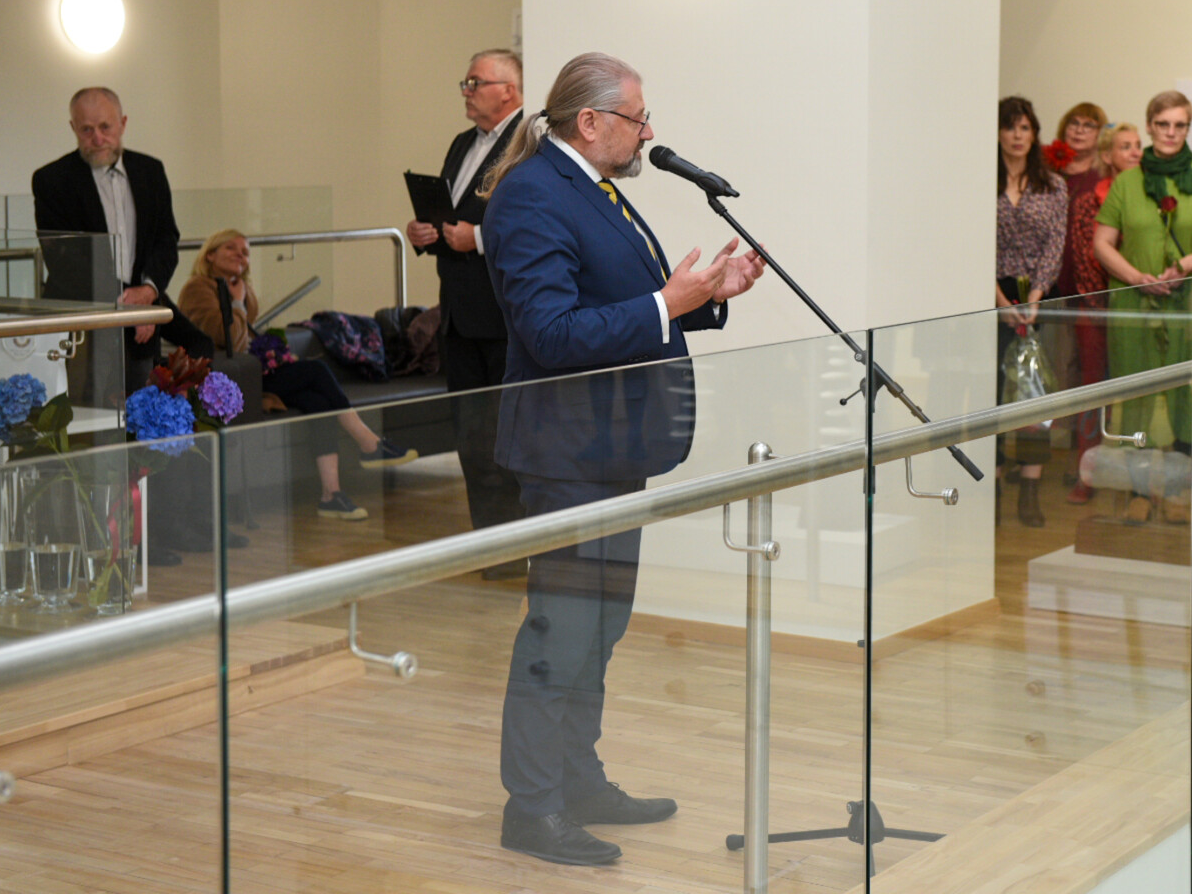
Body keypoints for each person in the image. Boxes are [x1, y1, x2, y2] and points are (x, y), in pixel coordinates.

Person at [481, 52, 764, 866]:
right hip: (566, 450)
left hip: (612, 445)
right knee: (560, 631)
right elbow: (551, 334)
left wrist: (700, 299)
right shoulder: (533, 194)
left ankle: (579, 779)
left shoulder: (597, 190)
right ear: (591, 122)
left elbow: (622, 308)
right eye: (638, 119)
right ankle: (532, 806)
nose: (648, 133)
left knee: (599, 628)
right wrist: (667, 302)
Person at [178, 230, 418, 521]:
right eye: (231, 248)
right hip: (231, 382)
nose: (240, 255)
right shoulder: (198, 288)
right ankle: (368, 442)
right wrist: (237, 303)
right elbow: (231, 341)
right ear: (210, 255)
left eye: (246, 251)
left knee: (317, 402)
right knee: (317, 371)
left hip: (252, 373)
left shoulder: (240, 288)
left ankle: (331, 495)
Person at [406, 49, 528, 578]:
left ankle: (520, 549)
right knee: (471, 439)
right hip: (457, 314)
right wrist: (426, 233)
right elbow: (450, 220)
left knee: (505, 439)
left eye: (476, 82)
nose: (466, 90)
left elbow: (533, 220)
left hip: (502, 319)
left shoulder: (529, 141)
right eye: (466, 82)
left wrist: (476, 238)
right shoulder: (462, 143)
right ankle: (491, 551)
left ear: (509, 90)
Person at [1093, 92, 1192, 520]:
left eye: (1179, 125)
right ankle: (1139, 492)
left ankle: (1176, 491)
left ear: (1188, 127)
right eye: (1163, 124)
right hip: (1132, 302)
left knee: (1183, 393)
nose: (1171, 132)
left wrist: (1184, 267)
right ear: (1150, 125)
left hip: (1185, 302)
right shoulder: (1126, 181)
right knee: (1135, 394)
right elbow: (1101, 242)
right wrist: (1136, 276)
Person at [32, 87, 215, 386]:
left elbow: (166, 240)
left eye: (105, 127)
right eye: (87, 129)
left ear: (123, 123)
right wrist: (130, 305)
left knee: (186, 358)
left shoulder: (150, 171)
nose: (98, 138)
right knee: (87, 406)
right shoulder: (52, 180)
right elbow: (64, 261)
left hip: (143, 308)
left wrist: (148, 293)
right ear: (73, 128)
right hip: (84, 319)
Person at [996, 96, 1067, 527]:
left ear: (1035, 133)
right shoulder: (980, 180)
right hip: (991, 298)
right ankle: (992, 487)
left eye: (1025, 127)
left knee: (1035, 395)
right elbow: (973, 245)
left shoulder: (1053, 185)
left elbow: (1055, 245)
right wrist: (1001, 303)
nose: (1017, 136)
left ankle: (1029, 489)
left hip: (1040, 296)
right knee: (992, 395)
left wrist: (1035, 299)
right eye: (1009, 127)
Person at [1061, 121, 1140, 505]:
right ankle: (1087, 474)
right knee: (1092, 393)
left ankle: (1138, 477)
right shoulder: (1088, 200)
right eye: (1126, 146)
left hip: (1139, 306)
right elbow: (1084, 257)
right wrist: (1104, 305)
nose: (1135, 152)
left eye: (1138, 145)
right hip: (1095, 308)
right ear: (1107, 155)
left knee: (1139, 393)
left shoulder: (1147, 197)